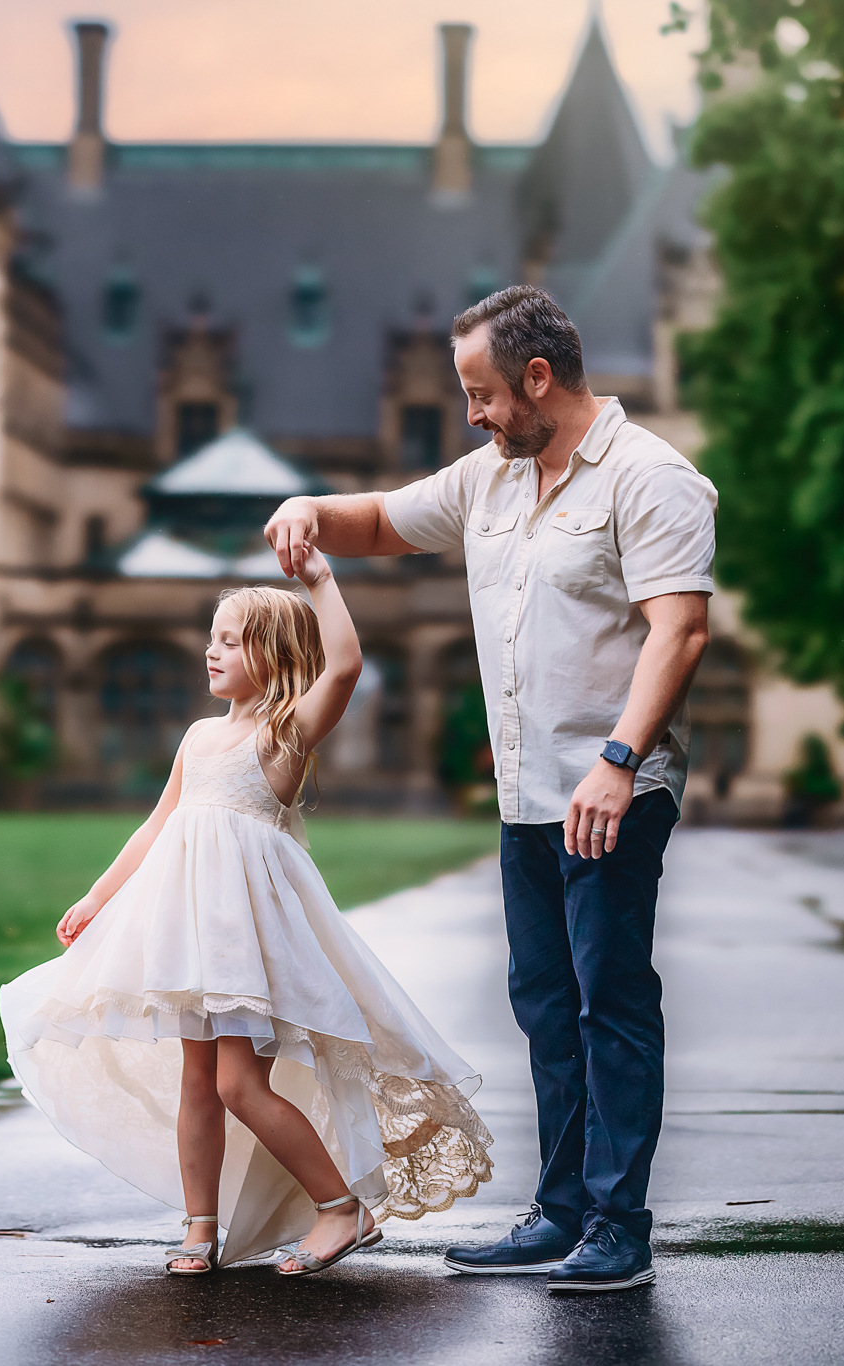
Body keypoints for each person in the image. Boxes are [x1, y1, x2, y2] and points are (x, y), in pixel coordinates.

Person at [264, 285, 715, 1292]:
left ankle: (616, 1223)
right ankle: (558, 1211)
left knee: (610, 1003)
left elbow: (677, 630)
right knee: (545, 1006)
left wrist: (618, 759)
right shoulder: (491, 480)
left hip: (609, 791)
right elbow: (379, 518)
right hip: (525, 796)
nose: (470, 413)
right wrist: (307, 509)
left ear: (537, 378)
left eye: (480, 393)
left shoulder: (650, 479)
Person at [1, 552, 493, 1277]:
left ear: (277, 655)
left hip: (245, 941)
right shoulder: (200, 737)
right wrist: (97, 897)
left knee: (237, 1085)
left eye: (231, 639)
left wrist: (321, 581)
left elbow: (347, 666)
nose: (212, 649)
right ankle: (200, 1224)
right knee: (198, 1082)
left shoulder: (284, 733)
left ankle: (341, 1206)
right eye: (213, 636)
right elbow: (156, 825)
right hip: (188, 934)